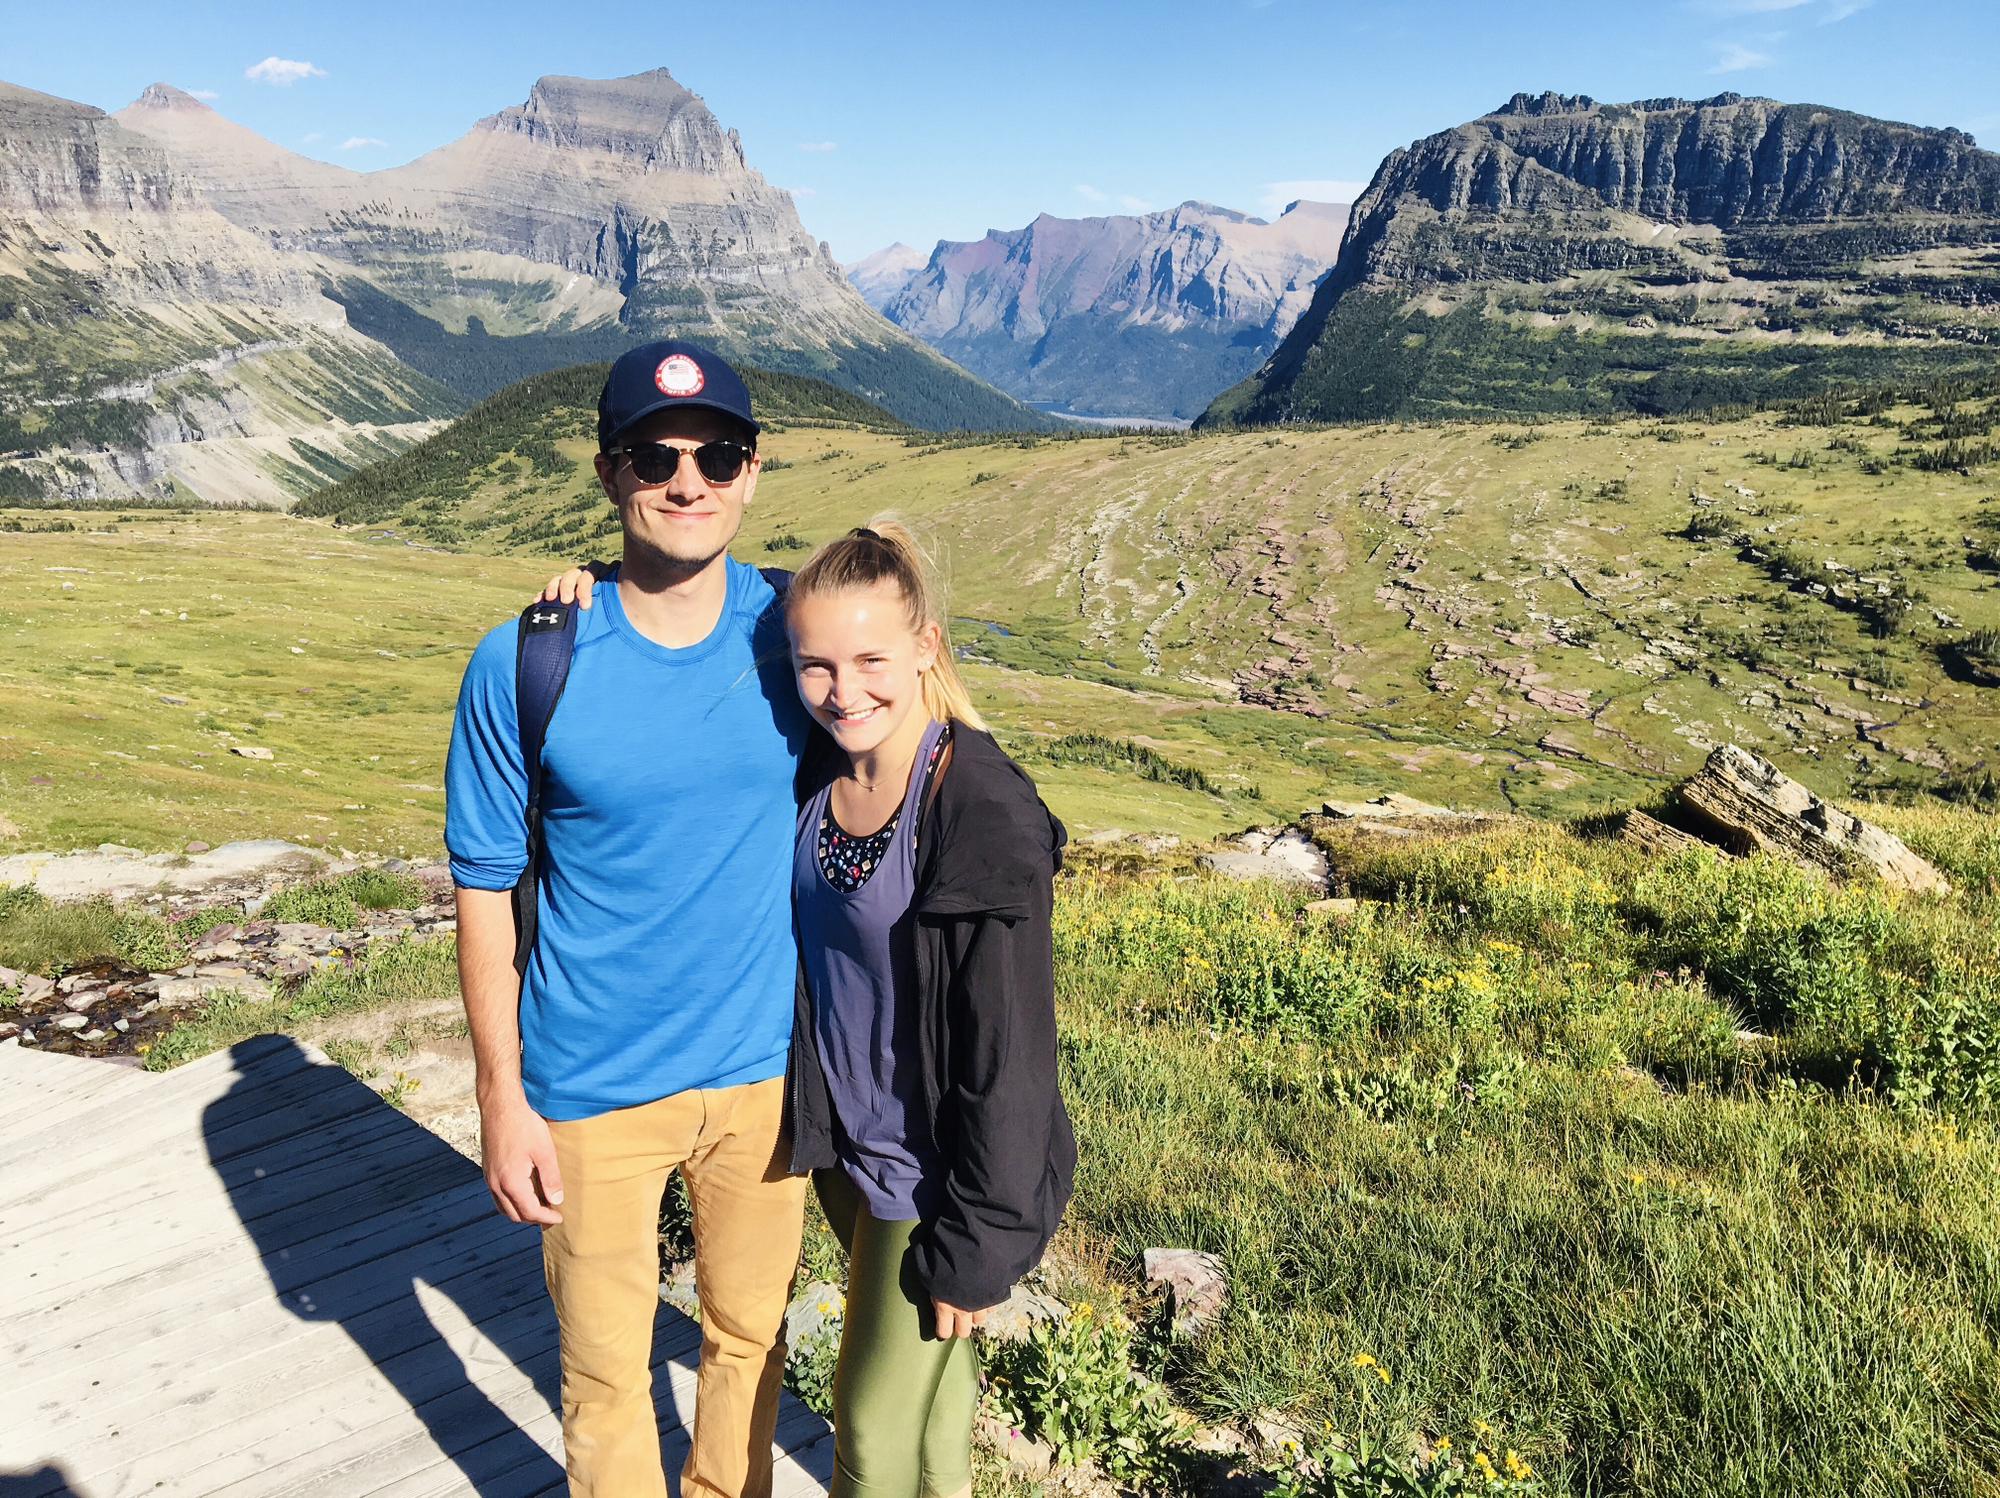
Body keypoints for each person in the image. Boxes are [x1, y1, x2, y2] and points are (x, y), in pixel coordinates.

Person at [548, 520, 1076, 1498]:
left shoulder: (976, 809)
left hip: (934, 1175)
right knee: (934, 1413)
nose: (844, 690)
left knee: (869, 1432)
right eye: (817, 666)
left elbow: (1011, 1054)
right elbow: (736, 594)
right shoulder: (822, 767)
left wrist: (981, 1239)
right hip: (844, 1149)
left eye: (872, 660)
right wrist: (608, 581)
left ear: (926, 646)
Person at [445, 339, 812, 1498]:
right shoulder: (523, 660)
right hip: (589, 1088)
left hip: (766, 1078)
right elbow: (483, 888)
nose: (687, 480)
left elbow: (915, 672)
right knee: (604, 1378)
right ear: (610, 473)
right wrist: (500, 1098)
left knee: (750, 1341)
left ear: (751, 473)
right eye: (655, 457)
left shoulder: (801, 631)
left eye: (717, 455)